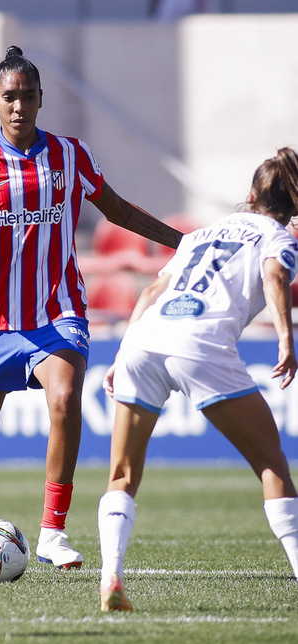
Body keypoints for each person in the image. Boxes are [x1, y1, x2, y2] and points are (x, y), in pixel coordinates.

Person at [0, 46, 182, 576]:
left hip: (56, 310)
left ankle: (53, 533)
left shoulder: (70, 155)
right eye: (9, 97)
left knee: (64, 398)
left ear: (42, 99)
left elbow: (120, 209)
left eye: (28, 96)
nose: (19, 106)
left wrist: (183, 241)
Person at [97, 148, 298, 611]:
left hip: (145, 340)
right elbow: (274, 276)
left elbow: (150, 290)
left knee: (122, 475)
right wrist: (286, 339)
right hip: (200, 345)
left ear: (250, 194)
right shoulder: (279, 238)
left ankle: (111, 578)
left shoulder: (201, 234)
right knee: (272, 466)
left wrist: (124, 351)